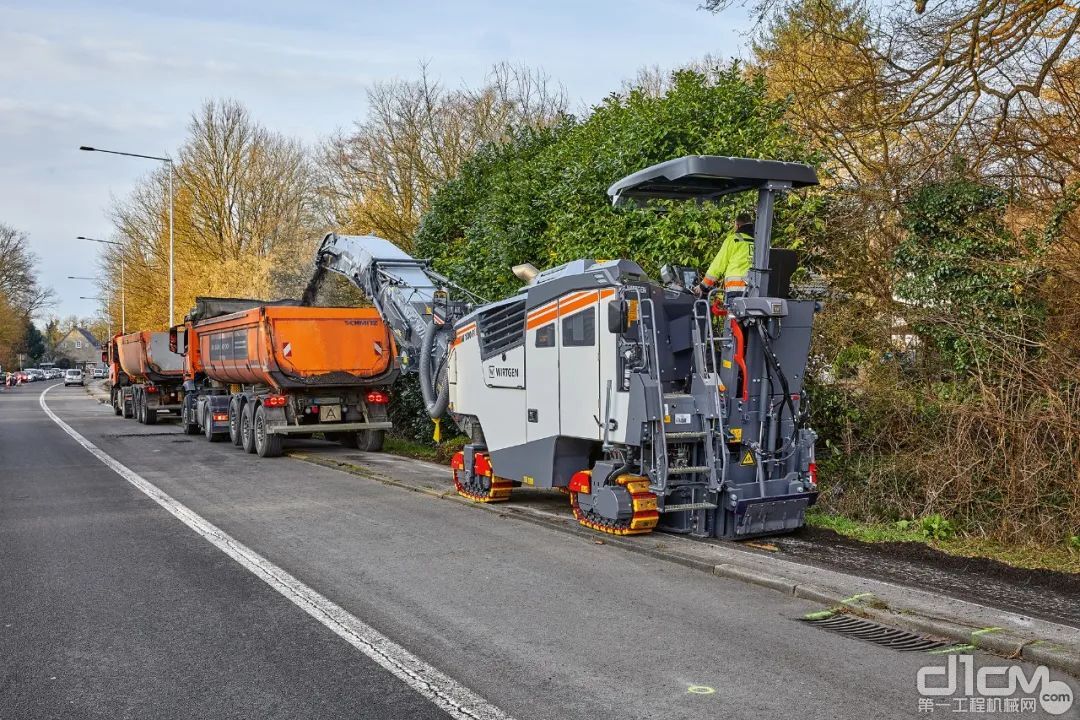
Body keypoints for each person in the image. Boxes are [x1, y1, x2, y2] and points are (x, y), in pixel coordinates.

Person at [693, 212, 755, 304]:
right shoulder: (759, 241)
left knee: (734, 317)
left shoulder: (734, 239)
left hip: (736, 290)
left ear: (737, 225)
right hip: (755, 291)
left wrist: (703, 286)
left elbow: (718, 265)